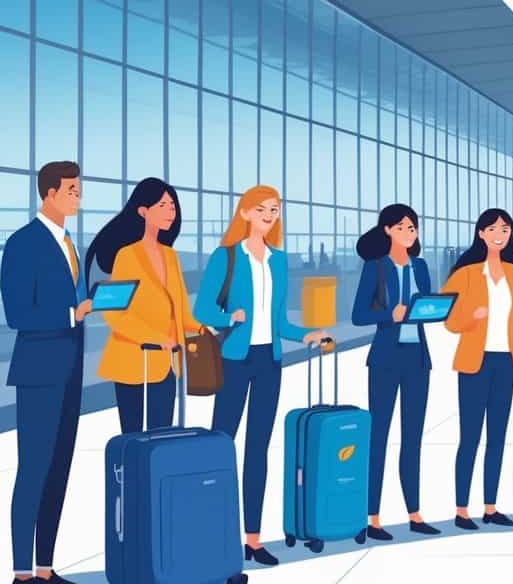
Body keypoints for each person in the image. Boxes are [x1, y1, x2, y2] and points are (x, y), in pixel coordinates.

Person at [193, 185, 331, 566]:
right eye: (263, 209)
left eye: (275, 209)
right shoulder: (227, 257)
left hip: (269, 362)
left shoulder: (279, 260)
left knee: (258, 449)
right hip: (235, 359)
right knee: (221, 446)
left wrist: (306, 334)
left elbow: (279, 320)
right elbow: (203, 308)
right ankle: (214, 536)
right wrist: (228, 318)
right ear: (245, 213)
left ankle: (252, 539)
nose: (270, 215)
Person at [2, 162, 92, 584]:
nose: (78, 196)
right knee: (33, 470)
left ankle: (44, 569)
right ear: (49, 192)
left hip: (71, 369)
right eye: (72, 189)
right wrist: (72, 314)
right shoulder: (23, 243)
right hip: (39, 373)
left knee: (59, 470)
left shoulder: (70, 242)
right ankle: (21, 573)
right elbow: (18, 313)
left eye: (79, 188)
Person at [442, 209, 513, 530]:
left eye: (505, 229)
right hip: (476, 362)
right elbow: (449, 321)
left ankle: (490, 506)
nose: (500, 234)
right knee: (470, 438)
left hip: (505, 362)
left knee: (498, 438)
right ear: (481, 234)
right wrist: (472, 316)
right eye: (493, 229)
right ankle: (462, 510)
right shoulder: (466, 273)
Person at [351, 204, 440, 538]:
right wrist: (391, 313)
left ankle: (414, 514)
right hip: (386, 360)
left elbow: (426, 305)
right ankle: (372, 517)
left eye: (412, 227)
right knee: (379, 437)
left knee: (413, 438)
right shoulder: (375, 268)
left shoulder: (420, 266)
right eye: (402, 226)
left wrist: (432, 310)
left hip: (417, 359)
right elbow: (359, 314)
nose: (409, 232)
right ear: (387, 230)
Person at [88, 178, 203, 433]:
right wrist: (155, 337)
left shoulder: (171, 256)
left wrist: (203, 329)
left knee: (162, 436)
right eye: (163, 205)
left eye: (173, 205)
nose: (171, 211)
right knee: (133, 439)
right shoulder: (127, 255)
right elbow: (115, 315)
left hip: (167, 363)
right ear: (143, 211)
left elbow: (181, 311)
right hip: (134, 360)